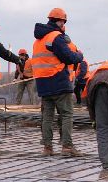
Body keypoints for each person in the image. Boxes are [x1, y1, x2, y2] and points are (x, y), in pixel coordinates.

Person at [30, 8, 85, 156]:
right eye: (63, 21)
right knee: (66, 114)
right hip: (59, 81)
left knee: (47, 116)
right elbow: (68, 57)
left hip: (43, 83)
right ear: (59, 21)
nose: (63, 24)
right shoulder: (56, 37)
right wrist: (79, 56)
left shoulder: (38, 41)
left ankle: (47, 148)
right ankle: (67, 146)